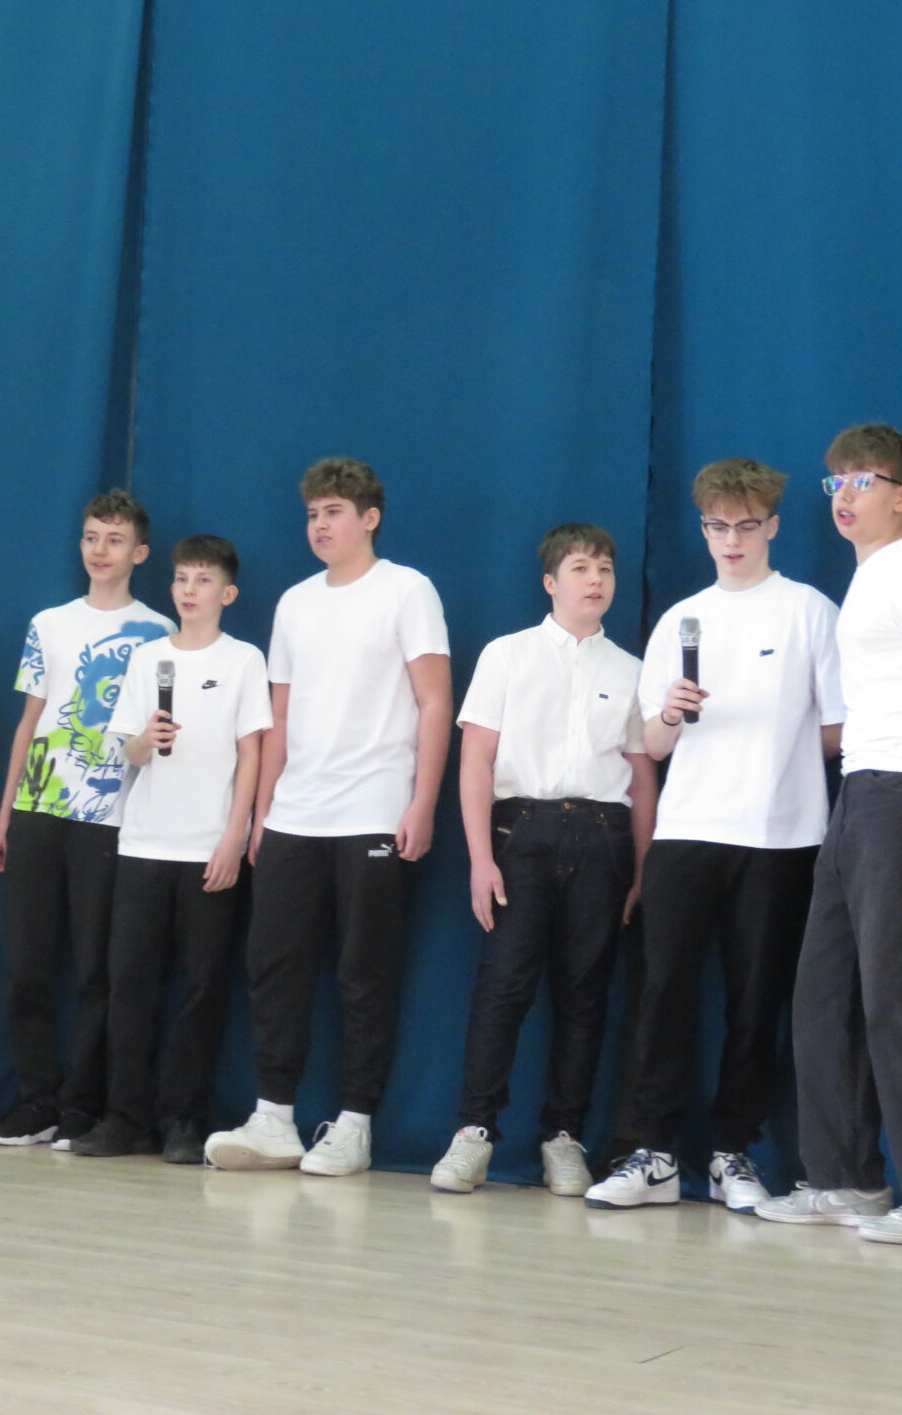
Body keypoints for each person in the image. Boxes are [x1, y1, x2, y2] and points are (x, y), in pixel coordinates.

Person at [756, 425, 902, 1246]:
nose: (846, 496)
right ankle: (845, 1180)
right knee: (825, 992)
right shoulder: (870, 578)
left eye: (865, 480)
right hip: (861, 793)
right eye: (837, 483)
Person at [586, 459, 842, 1212]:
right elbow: (654, 745)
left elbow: (839, 729)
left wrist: (779, 745)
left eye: (745, 526)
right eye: (717, 526)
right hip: (688, 829)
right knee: (662, 990)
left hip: (779, 834)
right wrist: (670, 710)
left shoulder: (808, 611)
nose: (731, 540)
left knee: (757, 1000)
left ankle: (734, 1150)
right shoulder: (681, 620)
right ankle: (653, 1153)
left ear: (772, 527)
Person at [206, 457, 451, 1178]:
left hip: (375, 807)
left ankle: (354, 1124)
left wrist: (422, 803)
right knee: (274, 965)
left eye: (334, 512)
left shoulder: (407, 590)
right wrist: (262, 813)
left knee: (364, 973)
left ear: (369, 518)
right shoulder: (294, 604)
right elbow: (279, 717)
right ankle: (274, 1117)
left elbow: (435, 702)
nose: (319, 525)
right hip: (295, 813)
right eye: (312, 513)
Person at [430, 524, 655, 1198]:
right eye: (581, 568)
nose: (596, 580)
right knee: (504, 987)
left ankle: (564, 1136)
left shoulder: (631, 670)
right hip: (522, 831)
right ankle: (474, 1131)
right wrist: (480, 858)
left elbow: (642, 778)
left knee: (585, 994)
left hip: (604, 835)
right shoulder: (507, 655)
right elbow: (476, 760)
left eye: (605, 569)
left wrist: (642, 868)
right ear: (551, 582)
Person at [0, 490, 175, 1150]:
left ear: (139, 553)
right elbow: (29, 722)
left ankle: (82, 1106)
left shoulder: (159, 632)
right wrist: (6, 814)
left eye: (114, 539)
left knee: (98, 971)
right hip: (38, 808)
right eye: (92, 536)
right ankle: (36, 1098)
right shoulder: (50, 624)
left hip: (111, 819)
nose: (100, 549)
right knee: (26, 967)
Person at [75, 535, 270, 1165]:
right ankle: (124, 1116)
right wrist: (145, 739)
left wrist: (234, 839)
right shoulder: (148, 659)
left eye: (202, 580)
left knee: (202, 988)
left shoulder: (244, 660)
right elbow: (126, 750)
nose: (189, 590)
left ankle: (183, 1118)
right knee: (129, 984)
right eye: (182, 579)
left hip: (208, 847)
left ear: (227, 593)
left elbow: (251, 754)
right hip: (143, 845)